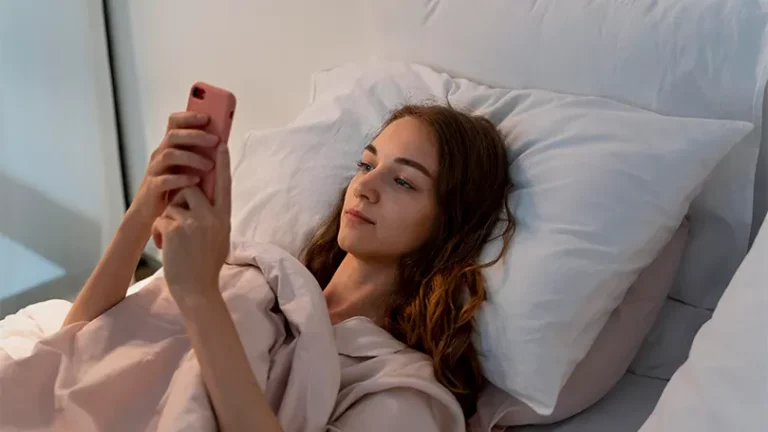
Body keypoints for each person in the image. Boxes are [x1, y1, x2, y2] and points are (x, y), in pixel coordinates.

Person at [62, 103, 514, 430]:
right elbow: (78, 349)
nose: (364, 187)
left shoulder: (400, 390)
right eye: (366, 163)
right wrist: (143, 211)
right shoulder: (257, 275)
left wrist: (200, 296)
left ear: (450, 221)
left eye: (402, 180)